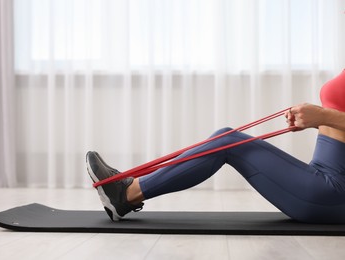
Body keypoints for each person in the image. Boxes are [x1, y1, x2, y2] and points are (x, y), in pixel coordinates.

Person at [86, 70, 345, 224]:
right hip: (323, 177)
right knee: (227, 139)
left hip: (334, 193)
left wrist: (323, 117)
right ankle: (127, 190)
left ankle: (126, 194)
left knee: (227, 142)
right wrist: (314, 122)